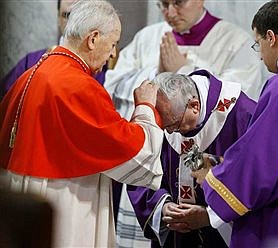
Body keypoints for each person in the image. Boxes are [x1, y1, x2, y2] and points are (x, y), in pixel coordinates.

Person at [0, 1, 164, 247]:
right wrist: (146, 107)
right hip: (67, 199)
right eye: (113, 43)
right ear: (93, 38)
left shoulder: (33, 72)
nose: (112, 53)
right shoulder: (78, 86)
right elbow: (137, 154)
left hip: (29, 198)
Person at [104, 1, 263, 246]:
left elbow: (238, 93)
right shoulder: (148, 37)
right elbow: (113, 88)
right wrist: (155, 78)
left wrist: (185, 70)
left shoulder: (236, 42)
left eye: (177, 2)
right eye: (162, 4)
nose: (170, 12)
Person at [191, 1, 278, 247]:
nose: (259, 55)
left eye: (257, 44)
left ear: (271, 37)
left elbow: (260, 162)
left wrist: (213, 179)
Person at [126, 70, 256, 247]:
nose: (169, 133)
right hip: (177, 238)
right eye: (164, 127)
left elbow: (255, 182)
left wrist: (210, 216)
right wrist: (163, 207)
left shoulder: (244, 115)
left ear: (194, 105)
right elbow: (140, 171)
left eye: (173, 125)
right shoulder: (164, 116)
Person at [0, 0, 112, 100]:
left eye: (80, 16)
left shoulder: (104, 66)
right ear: (58, 19)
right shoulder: (31, 62)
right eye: (68, 15)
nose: (74, 22)